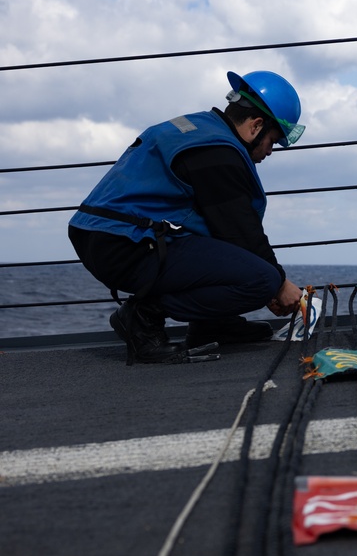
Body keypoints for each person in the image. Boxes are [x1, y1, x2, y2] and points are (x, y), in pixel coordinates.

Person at [68, 70, 306, 365]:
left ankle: (213, 324)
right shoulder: (217, 153)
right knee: (262, 279)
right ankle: (142, 317)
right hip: (125, 244)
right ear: (256, 125)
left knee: (239, 261)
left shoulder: (199, 129)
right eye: (272, 140)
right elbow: (239, 232)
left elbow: (220, 234)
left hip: (105, 235)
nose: (270, 151)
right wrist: (280, 285)